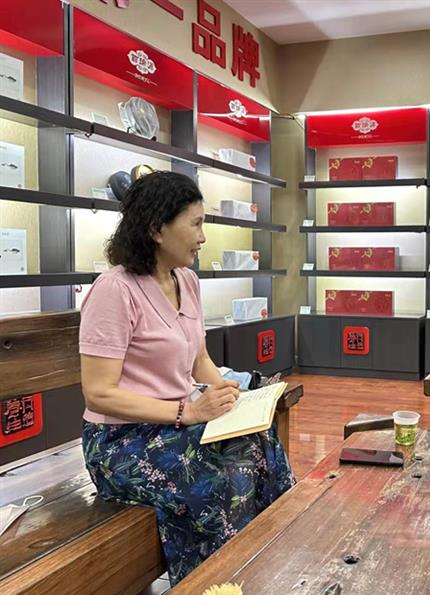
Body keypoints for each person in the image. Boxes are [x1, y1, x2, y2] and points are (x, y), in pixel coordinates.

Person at [79, 171, 294, 585]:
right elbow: (99, 393)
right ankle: (213, 584)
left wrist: (228, 392)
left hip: (177, 426)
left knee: (262, 444)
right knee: (223, 478)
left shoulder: (187, 281)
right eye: (195, 224)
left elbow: (200, 361)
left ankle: (264, 567)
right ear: (156, 228)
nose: (202, 237)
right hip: (122, 441)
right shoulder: (114, 290)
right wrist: (187, 411)